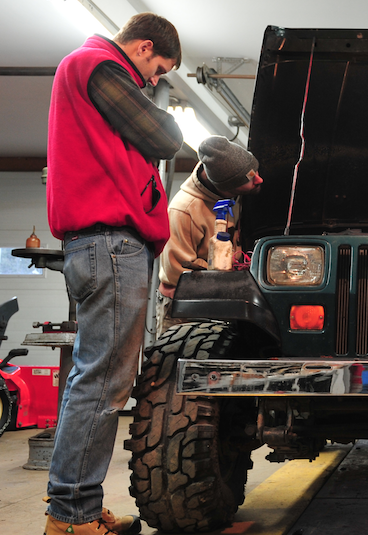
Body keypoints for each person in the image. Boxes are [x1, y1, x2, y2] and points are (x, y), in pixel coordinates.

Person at [45, 12, 183, 535]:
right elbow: (165, 136)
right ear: (143, 47)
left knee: (96, 380)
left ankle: (76, 503)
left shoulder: (89, 72)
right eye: (157, 70)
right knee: (103, 383)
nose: (152, 83)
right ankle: (71, 515)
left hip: (100, 247)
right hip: (111, 244)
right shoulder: (99, 65)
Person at [155, 135, 263, 336]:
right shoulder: (184, 211)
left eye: (255, 172)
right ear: (225, 187)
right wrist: (226, 270)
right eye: (250, 178)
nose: (259, 179)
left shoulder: (232, 193)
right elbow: (176, 271)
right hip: (184, 309)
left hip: (221, 300)